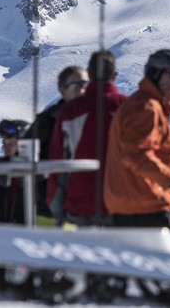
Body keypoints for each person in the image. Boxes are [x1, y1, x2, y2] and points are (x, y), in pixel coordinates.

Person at [103, 49, 170, 229]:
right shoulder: (146, 108)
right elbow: (135, 154)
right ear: (155, 74)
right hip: (144, 207)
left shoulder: (143, 103)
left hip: (132, 204)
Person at [47, 50, 127, 226]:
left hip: (80, 203)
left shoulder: (70, 111)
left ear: (89, 75)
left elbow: (58, 161)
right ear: (114, 75)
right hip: (121, 206)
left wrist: (57, 208)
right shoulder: (128, 108)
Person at [23, 65, 88, 221]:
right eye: (74, 85)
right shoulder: (46, 121)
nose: (81, 90)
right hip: (49, 208)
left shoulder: (97, 118)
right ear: (62, 89)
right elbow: (24, 157)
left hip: (89, 206)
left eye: (85, 85)